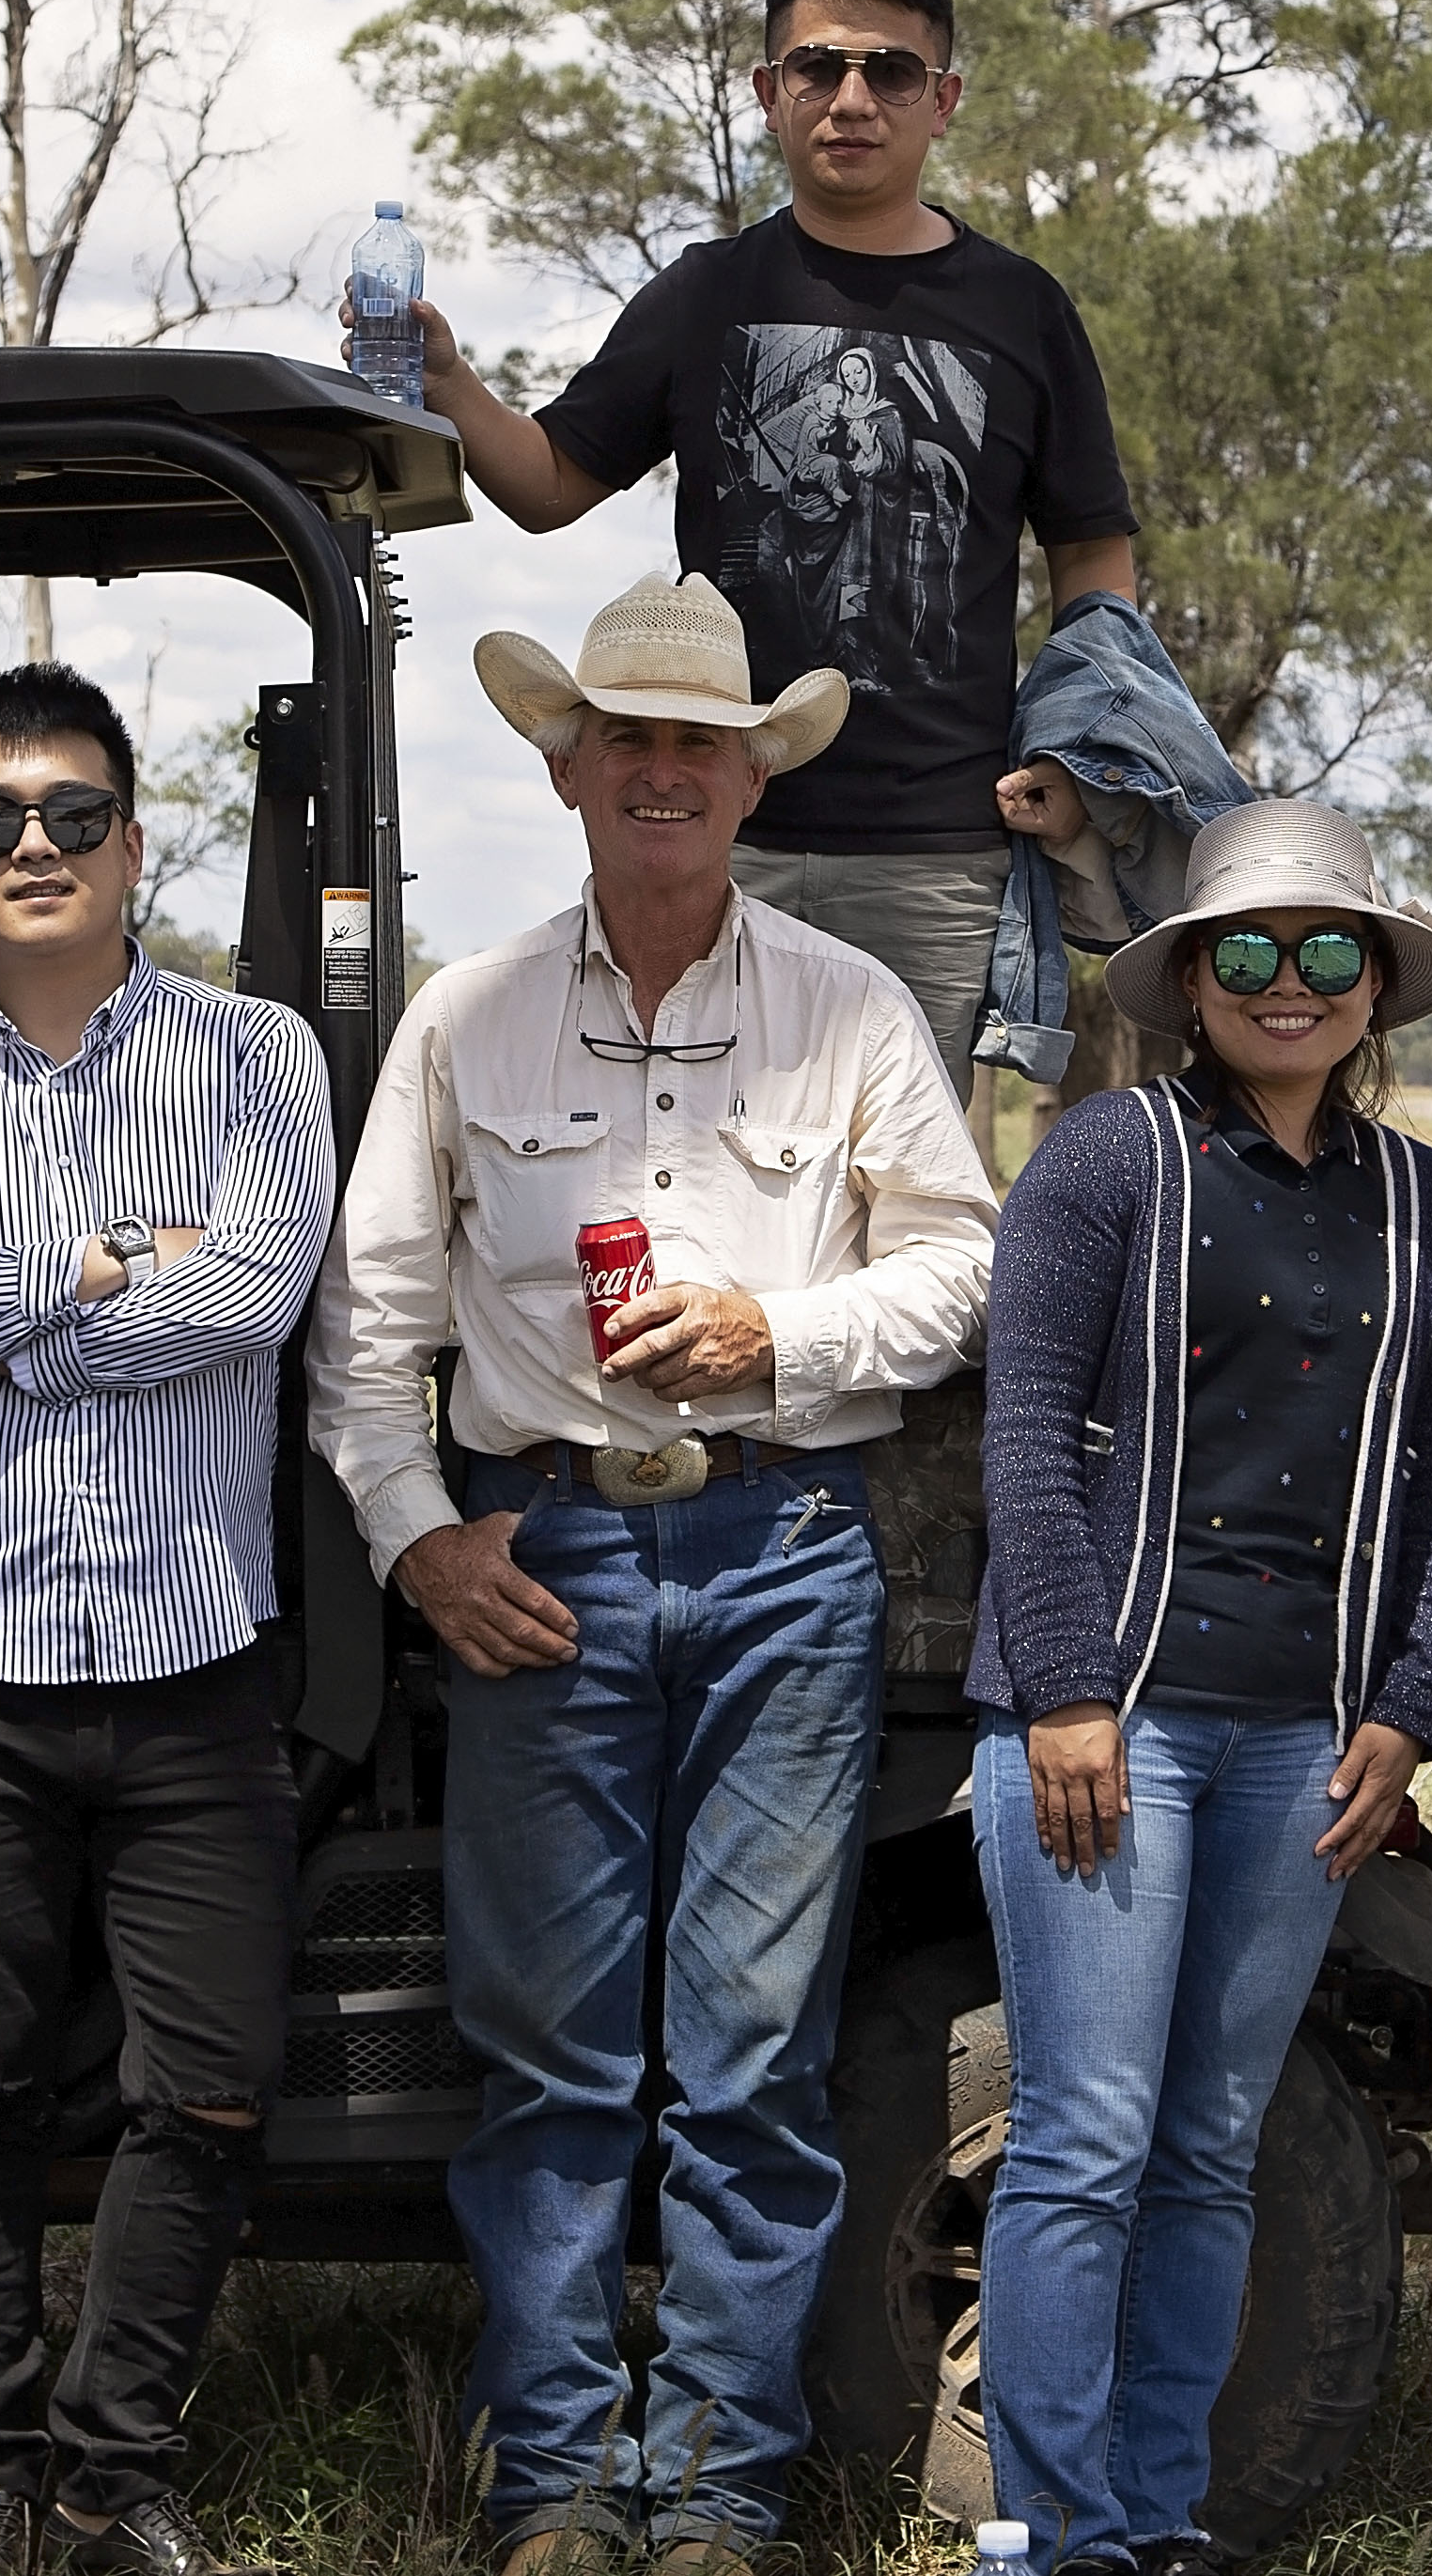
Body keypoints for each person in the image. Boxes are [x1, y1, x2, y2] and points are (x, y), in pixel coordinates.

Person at [304, 571, 998, 2576]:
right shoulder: (469, 1012)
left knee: (753, 2050)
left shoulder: (843, 1007)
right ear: (566, 762)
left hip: (784, 1547)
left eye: (701, 739)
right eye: (631, 736)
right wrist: (417, 1539)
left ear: (750, 771)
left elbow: (955, 1270)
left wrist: (773, 1342)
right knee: (549, 2055)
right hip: (548, 1559)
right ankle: (546, 2487)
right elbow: (368, 1332)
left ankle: (706, 2490)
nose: (666, 770)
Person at [0, 664, 336, 2576]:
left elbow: (259, 1294)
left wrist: (3, 1302)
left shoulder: (258, 1054)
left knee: (198, 2084)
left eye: (69, 812)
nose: (30, 845)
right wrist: (114, 1256)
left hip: (197, 1663)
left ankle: (114, 2469)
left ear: (133, 839)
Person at [967, 800, 1432, 2576]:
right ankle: (1051, 2529)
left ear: (1373, 987)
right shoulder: (1108, 1158)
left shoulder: (1420, 1199)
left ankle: (1160, 2511)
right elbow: (1024, 1432)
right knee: (1087, 2132)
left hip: (1307, 1740)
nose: (1289, 981)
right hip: (1115, 1718)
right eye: (1246, 949)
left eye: (1327, 949)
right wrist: (1061, 1683)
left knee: (1204, 2140)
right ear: (1190, 979)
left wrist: (1408, 1704)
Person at [371, 0, 1143, 1080]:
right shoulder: (705, 293)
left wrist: (1079, 750)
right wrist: (448, 382)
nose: (850, 99)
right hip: (710, 818)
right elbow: (548, 483)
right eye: (815, 69)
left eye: (888, 72)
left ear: (943, 100)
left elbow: (1093, 549)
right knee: (682, 1147)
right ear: (767, 94)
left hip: (937, 845)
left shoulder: (1022, 308)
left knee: (890, 1180)